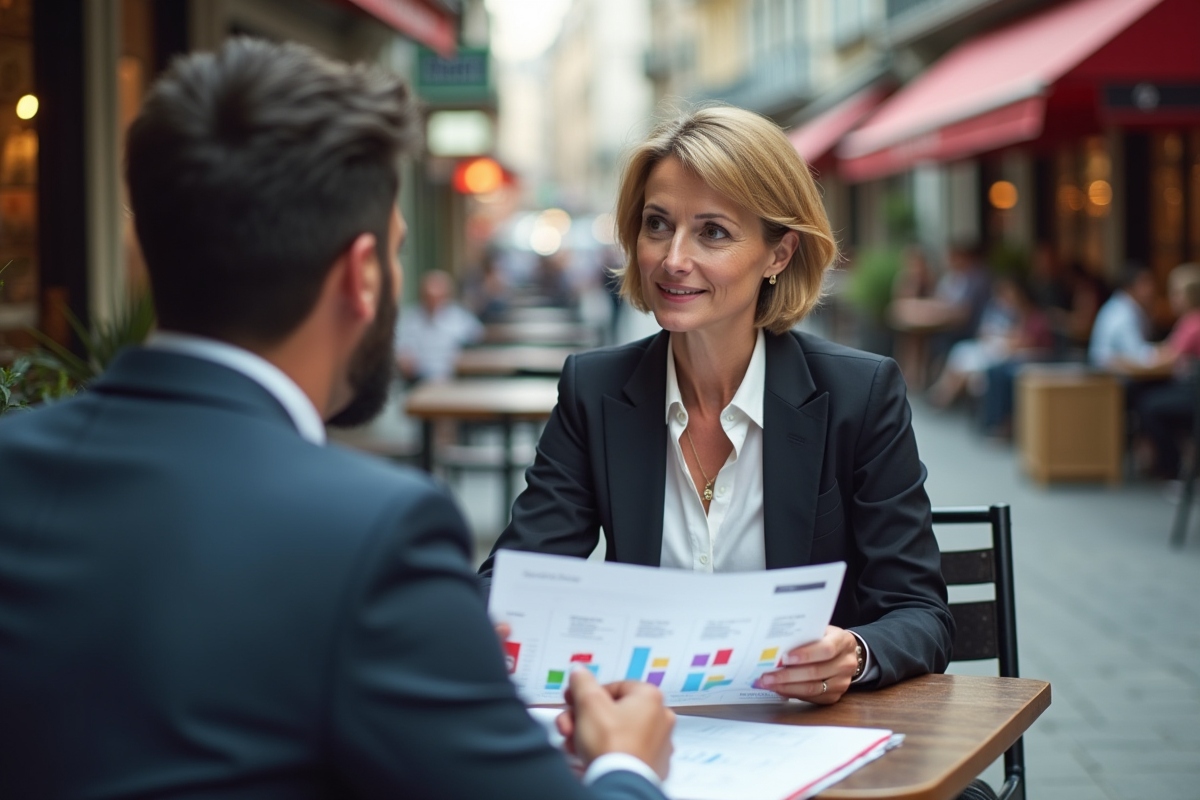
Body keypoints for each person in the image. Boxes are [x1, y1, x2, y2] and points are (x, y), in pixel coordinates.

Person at [0, 39, 673, 800]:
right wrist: (628, 763)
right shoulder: (374, 533)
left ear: (140, 253)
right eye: (395, 252)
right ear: (360, 276)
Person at [479, 106, 954, 705]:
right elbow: (514, 582)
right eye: (658, 224)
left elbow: (919, 613)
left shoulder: (860, 395)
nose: (673, 258)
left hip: (809, 733)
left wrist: (854, 654)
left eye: (713, 232)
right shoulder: (594, 391)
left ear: (779, 254)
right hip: (649, 730)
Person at [1134, 263, 1200, 478]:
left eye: (1177, 293)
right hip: (1187, 387)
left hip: (1193, 393)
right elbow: (1168, 350)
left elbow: (1169, 358)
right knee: (1147, 396)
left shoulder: (1194, 324)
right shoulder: (1187, 321)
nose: (1172, 298)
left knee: (1148, 405)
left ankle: (1171, 466)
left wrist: (1140, 358)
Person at [395, 269, 484, 381]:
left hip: (453, 376)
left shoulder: (458, 316)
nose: (433, 302)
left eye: (438, 297)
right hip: (418, 379)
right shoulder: (410, 318)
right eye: (428, 297)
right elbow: (401, 348)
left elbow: (478, 334)